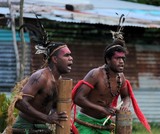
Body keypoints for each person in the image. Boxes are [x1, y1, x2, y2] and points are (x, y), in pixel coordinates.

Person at [71, 15, 151, 134]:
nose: (121, 62)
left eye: (123, 59)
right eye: (117, 58)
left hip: (104, 123)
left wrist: (125, 105)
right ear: (107, 60)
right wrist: (102, 109)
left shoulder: (121, 77)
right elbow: (78, 98)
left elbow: (126, 96)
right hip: (85, 122)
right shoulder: (95, 74)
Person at [5, 18, 73, 134]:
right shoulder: (41, 77)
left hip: (41, 126)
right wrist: (47, 118)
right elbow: (19, 102)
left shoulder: (59, 80)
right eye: (66, 55)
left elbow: (50, 104)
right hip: (24, 127)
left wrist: (59, 115)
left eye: (70, 55)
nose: (71, 58)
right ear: (55, 59)